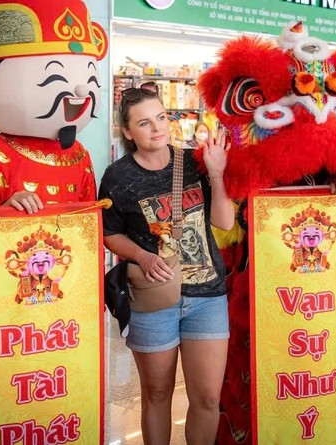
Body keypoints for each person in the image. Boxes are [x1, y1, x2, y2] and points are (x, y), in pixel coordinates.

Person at [99, 82, 234, 445]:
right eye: (144, 123)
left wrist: (217, 174)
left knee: (207, 398)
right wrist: (142, 256)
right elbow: (108, 233)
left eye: (161, 117)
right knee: (157, 394)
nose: (157, 127)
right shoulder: (118, 177)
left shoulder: (193, 162)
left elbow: (223, 222)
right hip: (154, 298)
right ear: (127, 131)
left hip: (207, 297)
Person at [0, 0, 108, 255]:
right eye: (55, 78)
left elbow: (87, 220)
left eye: (91, 79)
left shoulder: (79, 154)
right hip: (10, 272)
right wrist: (5, 208)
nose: (82, 91)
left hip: (68, 272)